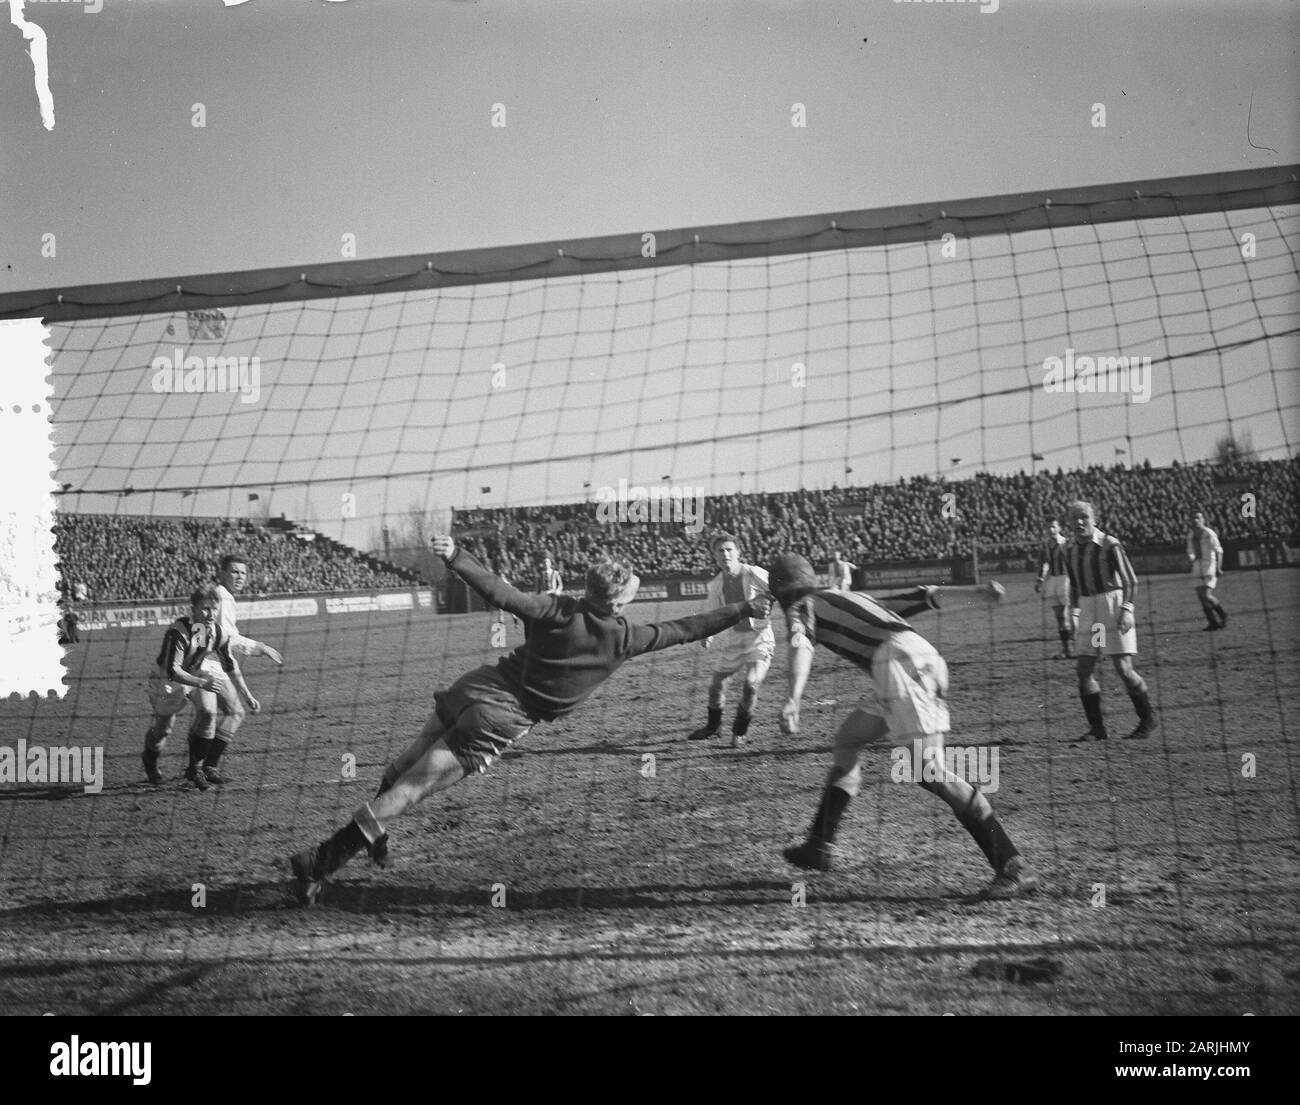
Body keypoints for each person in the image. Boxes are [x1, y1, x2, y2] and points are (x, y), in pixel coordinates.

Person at [287, 537, 770, 905]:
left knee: (403, 766)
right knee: (409, 790)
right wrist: (744, 609)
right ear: (620, 602)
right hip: (499, 719)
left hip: (475, 686)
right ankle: (321, 862)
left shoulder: (557, 609)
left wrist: (457, 555)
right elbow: (687, 629)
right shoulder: (627, 637)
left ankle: (375, 838)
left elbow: (503, 594)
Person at [768, 553, 1038, 900]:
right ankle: (819, 844)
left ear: (780, 591)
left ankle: (1013, 865)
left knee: (929, 770)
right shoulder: (851, 596)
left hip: (899, 666)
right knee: (848, 741)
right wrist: (978, 593)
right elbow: (924, 595)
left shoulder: (800, 605)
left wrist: (793, 697)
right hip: (914, 660)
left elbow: (800, 644)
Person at [141, 586, 260, 790]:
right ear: (193, 609)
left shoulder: (216, 632)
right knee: (163, 730)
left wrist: (247, 695)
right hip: (167, 683)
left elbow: (229, 665)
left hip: (196, 675)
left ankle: (195, 769)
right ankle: (150, 760)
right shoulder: (178, 632)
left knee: (208, 713)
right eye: (204, 609)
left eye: (214, 609)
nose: (210, 614)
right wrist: (204, 682)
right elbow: (173, 671)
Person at [1063, 501, 1156, 742]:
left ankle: (1147, 718)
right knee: (1084, 669)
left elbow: (1131, 581)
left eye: (1084, 516)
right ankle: (1097, 729)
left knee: (1123, 669)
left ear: (1094, 518)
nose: (1079, 522)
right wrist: (1074, 613)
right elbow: (1074, 585)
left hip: (1111, 606)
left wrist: (1126, 609)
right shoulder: (1070, 549)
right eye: (1074, 518)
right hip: (1087, 608)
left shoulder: (1109, 544)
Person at [687, 533, 774, 747]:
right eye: (720, 550)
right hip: (734, 640)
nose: (725, 554)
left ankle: (740, 732)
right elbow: (712, 613)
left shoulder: (753, 572)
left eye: (729, 549)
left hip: (760, 639)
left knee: (751, 684)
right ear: (714, 556)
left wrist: (767, 599)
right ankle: (713, 727)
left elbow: (777, 588)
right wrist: (707, 635)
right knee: (716, 687)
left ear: (738, 552)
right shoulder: (716, 584)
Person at [206, 555, 282, 782]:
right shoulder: (223, 597)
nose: (239, 577)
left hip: (206, 661)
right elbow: (229, 640)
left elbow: (224, 645)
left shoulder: (222, 595)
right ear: (222, 573)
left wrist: (246, 691)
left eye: (243, 573)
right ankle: (207, 767)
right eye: (234, 572)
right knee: (234, 712)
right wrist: (259, 646)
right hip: (206, 663)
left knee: (205, 716)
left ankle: (198, 767)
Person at [1034, 519, 1075, 658]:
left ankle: (1076, 647)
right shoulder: (1045, 544)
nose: (1051, 529)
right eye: (1048, 527)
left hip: (1065, 579)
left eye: (1053, 526)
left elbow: (1071, 563)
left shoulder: (1065, 543)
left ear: (1059, 528)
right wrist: (1040, 579)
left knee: (1065, 616)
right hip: (1052, 581)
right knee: (1058, 618)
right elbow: (1044, 563)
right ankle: (1066, 649)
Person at [1187, 510, 1227, 631]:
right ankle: (1213, 622)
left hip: (1209, 565)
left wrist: (1218, 567)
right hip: (1197, 566)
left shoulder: (1209, 533)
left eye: (1198, 518)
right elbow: (1190, 551)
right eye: (1193, 518)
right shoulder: (1190, 535)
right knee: (1200, 596)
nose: (1196, 520)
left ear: (1203, 519)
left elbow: (1219, 550)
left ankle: (1223, 614)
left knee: (1206, 595)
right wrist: (1192, 558)